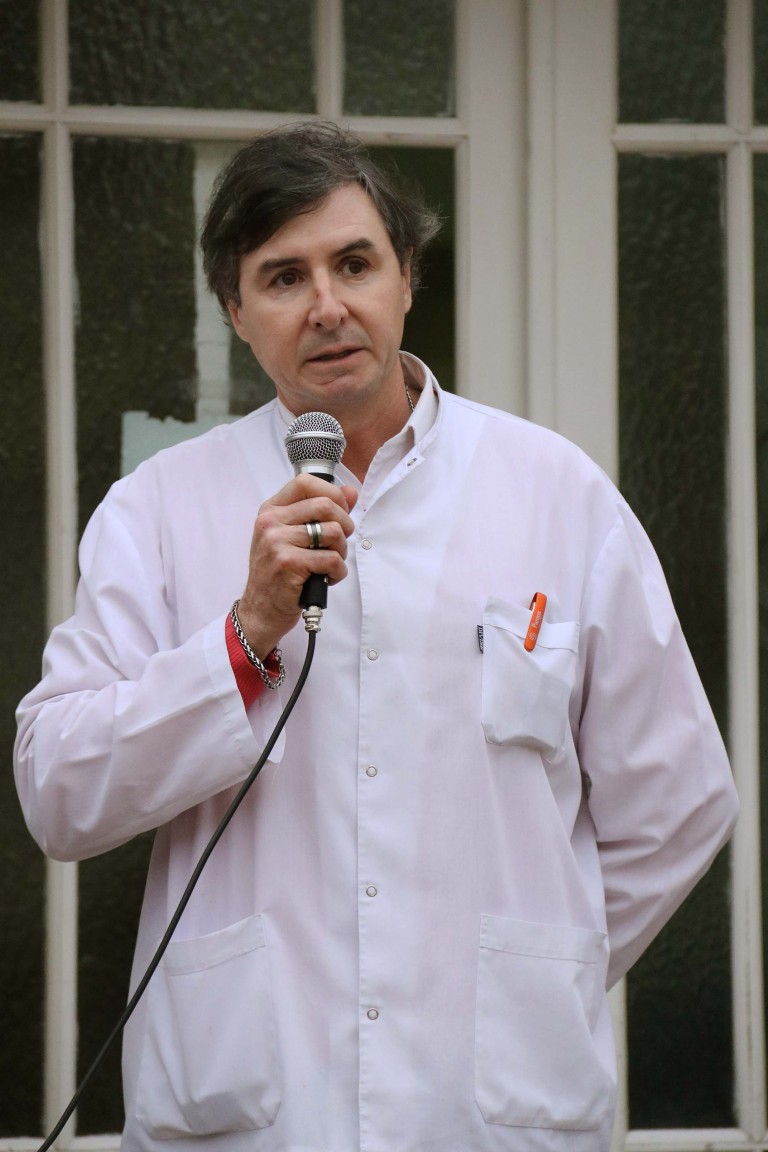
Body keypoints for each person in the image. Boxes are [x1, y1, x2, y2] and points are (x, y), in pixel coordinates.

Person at [15, 121, 738, 1152]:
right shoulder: (160, 509)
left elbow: (678, 798)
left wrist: (542, 973)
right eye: (283, 277)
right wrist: (243, 637)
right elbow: (57, 791)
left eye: (354, 263)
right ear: (236, 313)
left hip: (490, 1108)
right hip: (248, 1100)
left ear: (406, 276)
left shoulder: (556, 492)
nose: (327, 306)